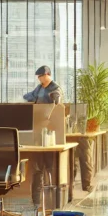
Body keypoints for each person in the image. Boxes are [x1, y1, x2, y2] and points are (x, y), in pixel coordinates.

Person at [24, 65, 62, 205]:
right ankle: (36, 202)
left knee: (50, 167)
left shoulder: (54, 88)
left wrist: (54, 99)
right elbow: (30, 96)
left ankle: (53, 202)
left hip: (50, 130)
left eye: (40, 76)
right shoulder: (40, 88)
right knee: (37, 168)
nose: (39, 79)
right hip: (37, 130)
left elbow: (57, 101)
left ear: (47, 75)